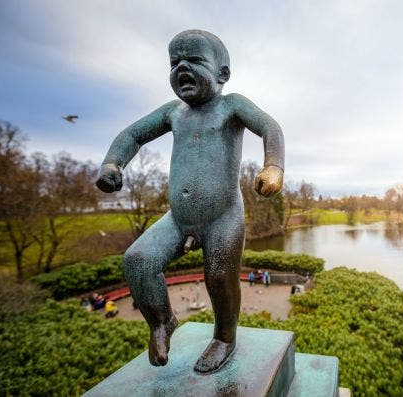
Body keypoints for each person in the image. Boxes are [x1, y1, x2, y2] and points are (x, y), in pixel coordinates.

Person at [95, 29, 284, 372]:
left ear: (222, 73)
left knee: (218, 275)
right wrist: (112, 163)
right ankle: (162, 322)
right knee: (138, 261)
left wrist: (273, 167)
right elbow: (133, 134)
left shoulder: (231, 106)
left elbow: (270, 128)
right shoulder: (173, 112)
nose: (181, 67)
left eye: (194, 60)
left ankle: (225, 337)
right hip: (178, 218)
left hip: (222, 216)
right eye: (174, 62)